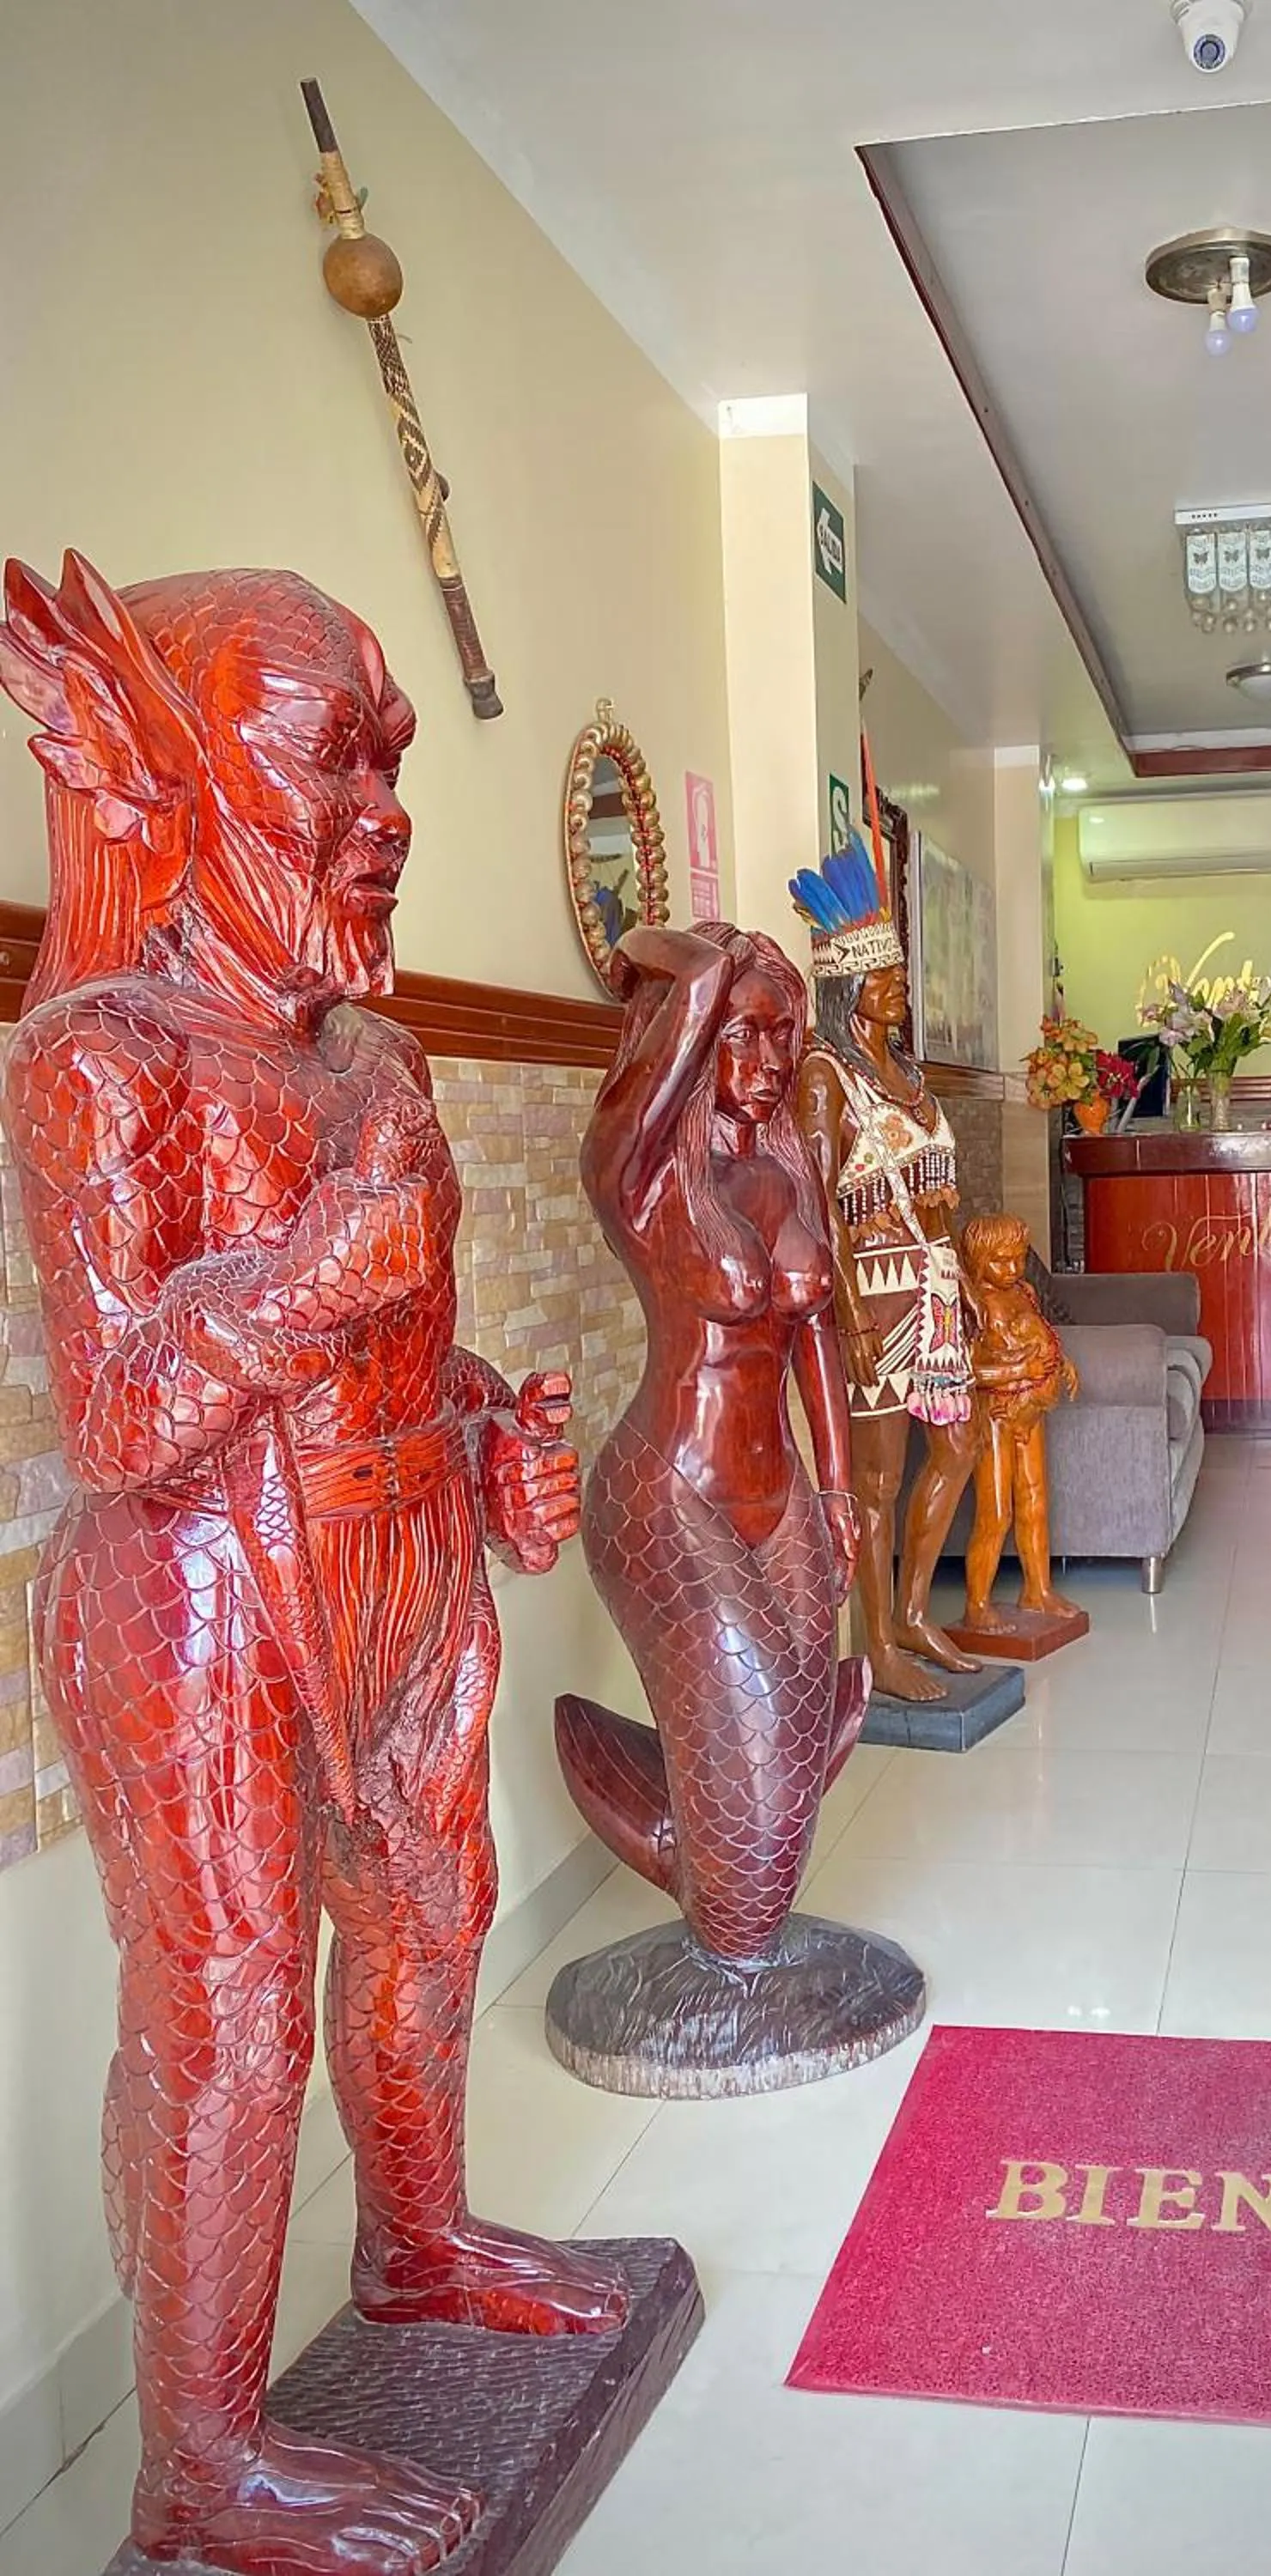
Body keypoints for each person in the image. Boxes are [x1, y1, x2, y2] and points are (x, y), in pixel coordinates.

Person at [0, 552, 623, 2576]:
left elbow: (404, 1351)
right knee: (234, 2006)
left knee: (432, 1910)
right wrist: (313, 1273)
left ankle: (422, 2240)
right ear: (177, 782)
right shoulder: (106, 1051)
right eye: (325, 766)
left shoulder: (382, 1062)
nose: (382, 812)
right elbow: (112, 1416)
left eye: (389, 760)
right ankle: (199, 2462)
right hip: (198, 1594)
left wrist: (485, 1442)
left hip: (401, 1564)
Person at [556, 919, 868, 1969]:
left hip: (780, 1500)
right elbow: (686, 998)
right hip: (667, 1497)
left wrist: (839, 1490)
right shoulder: (638, 1175)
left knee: (784, 1766)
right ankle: (669, 1819)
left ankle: (685, 1801)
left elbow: (819, 1331)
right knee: (755, 1842)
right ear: (688, 1041)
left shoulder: (791, 1166)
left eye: (784, 1037)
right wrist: (675, 957)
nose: (770, 1061)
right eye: (743, 1034)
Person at [792, 839, 982, 1703]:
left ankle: (910, 1612)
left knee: (959, 1442)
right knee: (873, 1477)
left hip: (936, 1291)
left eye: (897, 974)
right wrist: (852, 1319)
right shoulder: (824, 1077)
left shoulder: (905, 1073)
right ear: (846, 987)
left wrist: (968, 1280)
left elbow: (939, 1200)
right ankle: (876, 1649)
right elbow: (817, 1202)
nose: (898, 988)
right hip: (870, 1296)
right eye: (882, 977)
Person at [958, 1212, 1082, 1631]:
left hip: (1030, 1411)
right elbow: (966, 1371)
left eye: (1017, 1259)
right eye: (1000, 1261)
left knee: (1035, 1501)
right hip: (993, 1414)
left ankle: (1038, 1589)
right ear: (976, 1260)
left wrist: (1061, 1362)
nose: (1011, 1270)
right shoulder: (974, 1302)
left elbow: (1043, 1337)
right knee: (995, 1512)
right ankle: (977, 1603)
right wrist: (1019, 1373)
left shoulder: (1025, 1292)